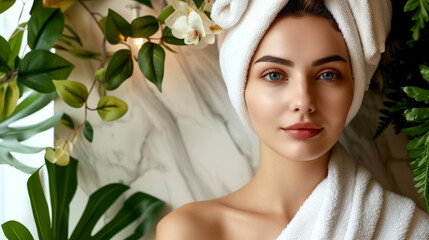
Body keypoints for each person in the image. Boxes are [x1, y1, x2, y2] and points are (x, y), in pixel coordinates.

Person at [156, 0, 429, 239]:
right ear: (241, 87)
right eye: (274, 75)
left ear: (355, 88)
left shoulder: (408, 231)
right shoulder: (191, 231)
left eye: (328, 75)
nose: (303, 102)